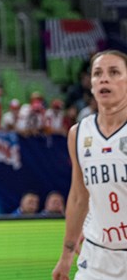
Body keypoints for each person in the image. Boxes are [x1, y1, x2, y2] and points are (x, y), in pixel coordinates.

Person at [53, 50, 127, 280]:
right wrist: (66, 255)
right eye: (97, 73)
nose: (104, 79)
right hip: (96, 256)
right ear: (91, 85)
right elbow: (78, 196)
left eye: (114, 72)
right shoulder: (78, 134)